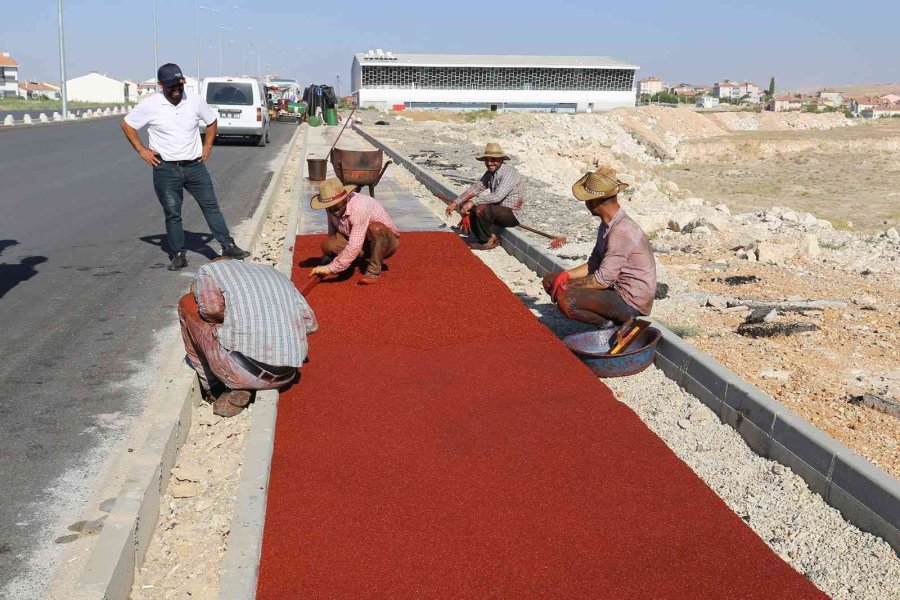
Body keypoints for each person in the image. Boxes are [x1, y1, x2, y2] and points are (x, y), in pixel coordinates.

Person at [121, 63, 250, 271]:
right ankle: (178, 254)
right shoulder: (150, 105)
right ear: (161, 84)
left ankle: (228, 245)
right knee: (173, 212)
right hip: (166, 169)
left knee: (211, 206)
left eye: (179, 85)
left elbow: (211, 121)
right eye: (171, 86)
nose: (176, 90)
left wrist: (207, 146)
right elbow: (127, 125)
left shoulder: (195, 101)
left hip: (194, 167)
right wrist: (142, 150)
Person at [178, 257, 318, 417]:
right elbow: (311, 324)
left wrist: (227, 321)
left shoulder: (209, 271)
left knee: (186, 303)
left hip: (242, 371)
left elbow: (211, 311)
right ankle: (243, 384)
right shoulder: (274, 273)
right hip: (288, 373)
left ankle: (213, 388)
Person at [543, 167, 656, 326]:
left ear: (594, 202)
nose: (586, 204)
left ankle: (608, 325)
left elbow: (602, 280)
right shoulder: (607, 225)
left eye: (587, 200)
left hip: (630, 301)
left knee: (566, 299)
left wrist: (566, 286)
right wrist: (566, 276)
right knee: (550, 280)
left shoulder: (621, 230)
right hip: (613, 288)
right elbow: (595, 262)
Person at [309, 177, 400, 285]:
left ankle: (373, 271)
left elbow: (355, 245)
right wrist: (330, 257)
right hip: (359, 239)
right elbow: (332, 231)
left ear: (344, 198)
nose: (332, 209)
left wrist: (331, 268)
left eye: (335, 204)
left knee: (376, 229)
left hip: (385, 243)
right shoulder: (331, 208)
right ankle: (352, 259)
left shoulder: (358, 208)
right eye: (329, 207)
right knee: (328, 245)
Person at [445, 142, 525, 250]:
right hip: (496, 210)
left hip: (511, 214)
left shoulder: (508, 173)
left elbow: (498, 196)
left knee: (480, 208)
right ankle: (475, 234)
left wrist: (473, 202)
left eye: (493, 160)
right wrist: (455, 203)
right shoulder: (490, 173)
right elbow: (476, 188)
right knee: (466, 205)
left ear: (501, 160)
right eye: (487, 160)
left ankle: (489, 241)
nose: (489, 163)